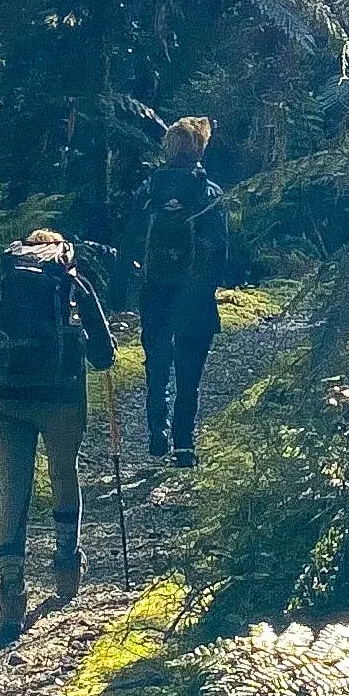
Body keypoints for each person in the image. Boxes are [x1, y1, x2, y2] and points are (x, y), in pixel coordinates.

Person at [0, 227, 112, 642]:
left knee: (13, 490)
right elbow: (104, 357)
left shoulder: (2, 278)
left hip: (7, 399)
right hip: (61, 397)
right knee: (64, 473)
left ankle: (10, 594)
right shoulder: (71, 280)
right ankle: (67, 563)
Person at [134, 117, 234, 465]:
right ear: (200, 149)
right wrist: (209, 286)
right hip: (195, 297)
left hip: (155, 290)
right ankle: (184, 444)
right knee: (189, 372)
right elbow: (220, 249)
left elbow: (131, 240)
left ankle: (156, 430)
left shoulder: (149, 190)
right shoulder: (210, 193)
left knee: (157, 363)